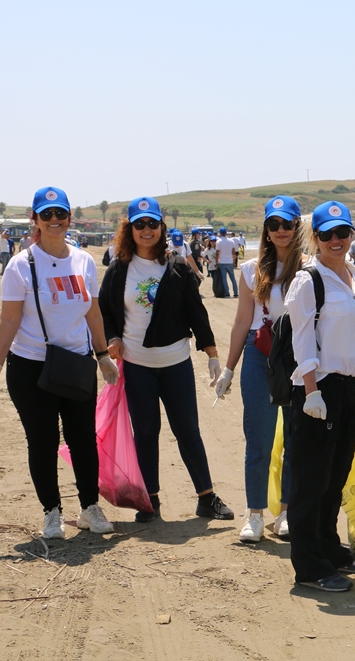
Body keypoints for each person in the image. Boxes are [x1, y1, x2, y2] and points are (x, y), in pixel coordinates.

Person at [0, 186, 117, 539]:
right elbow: (9, 320)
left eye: (60, 214)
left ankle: (89, 508)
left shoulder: (83, 261)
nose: (55, 220)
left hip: (75, 363)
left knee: (83, 438)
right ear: (34, 219)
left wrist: (101, 356)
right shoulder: (21, 265)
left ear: (69, 218)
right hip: (31, 366)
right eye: (47, 214)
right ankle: (51, 512)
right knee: (42, 441)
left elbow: (93, 314)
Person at [100, 196, 234, 524]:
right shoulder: (119, 267)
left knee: (188, 429)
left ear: (162, 227)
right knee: (145, 431)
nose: (147, 230)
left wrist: (212, 355)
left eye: (152, 224)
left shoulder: (176, 267)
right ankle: (151, 500)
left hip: (175, 363)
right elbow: (104, 310)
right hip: (137, 364)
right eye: (139, 224)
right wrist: (112, 338)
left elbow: (196, 313)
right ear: (129, 229)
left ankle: (206, 497)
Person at [284, 201, 355, 593]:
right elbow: (303, 340)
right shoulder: (307, 281)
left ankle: (329, 548)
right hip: (318, 387)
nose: (335, 240)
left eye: (343, 233)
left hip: (348, 388)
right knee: (311, 480)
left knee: (335, 474)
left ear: (352, 235)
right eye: (326, 234)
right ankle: (309, 567)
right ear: (315, 238)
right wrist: (311, 392)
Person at [213, 196, 306, 543]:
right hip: (259, 354)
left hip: (299, 355)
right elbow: (241, 320)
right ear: (265, 229)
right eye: (274, 224)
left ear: (297, 227)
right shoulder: (252, 269)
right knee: (259, 439)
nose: (281, 230)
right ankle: (254, 514)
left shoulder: (311, 267)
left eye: (287, 224)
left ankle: (286, 512)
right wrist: (228, 368)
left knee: (296, 438)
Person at [215, 227, 238, 298]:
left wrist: (216, 263)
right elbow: (233, 253)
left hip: (222, 262)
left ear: (220, 233)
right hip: (230, 262)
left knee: (224, 278)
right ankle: (235, 292)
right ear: (226, 233)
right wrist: (234, 262)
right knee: (232, 278)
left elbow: (217, 254)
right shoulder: (231, 241)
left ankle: (227, 293)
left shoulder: (218, 242)